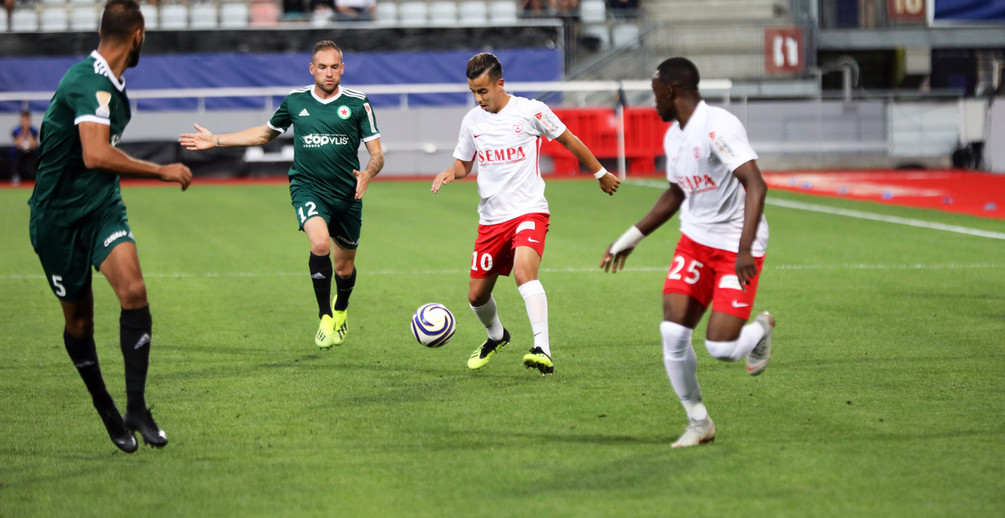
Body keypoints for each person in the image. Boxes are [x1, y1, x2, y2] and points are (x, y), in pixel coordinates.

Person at [28, 0, 193, 453]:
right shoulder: (87, 80)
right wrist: (161, 171)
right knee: (79, 323)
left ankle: (137, 407)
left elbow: (98, 166)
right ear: (137, 35)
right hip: (57, 221)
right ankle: (107, 410)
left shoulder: (113, 87)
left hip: (101, 206)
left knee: (134, 292)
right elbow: (95, 155)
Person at [600, 57, 774, 448]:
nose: (652, 102)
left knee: (722, 347)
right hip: (695, 242)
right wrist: (632, 236)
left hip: (734, 246)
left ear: (669, 92)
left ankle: (760, 330)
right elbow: (678, 193)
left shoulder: (719, 126)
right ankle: (699, 422)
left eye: (654, 94)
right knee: (673, 331)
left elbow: (756, 185)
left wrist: (744, 249)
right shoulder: (674, 135)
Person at [180, 40, 383, 351]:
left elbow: (377, 154)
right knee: (319, 242)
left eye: (334, 67)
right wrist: (217, 139)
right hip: (308, 188)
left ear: (342, 69)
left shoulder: (358, 103)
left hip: (347, 194)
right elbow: (264, 134)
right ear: (312, 69)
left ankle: (341, 308)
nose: (328, 73)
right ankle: (325, 316)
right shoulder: (295, 100)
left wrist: (368, 173)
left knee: (344, 268)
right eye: (322, 67)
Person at [431, 52, 620, 375]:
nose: (478, 99)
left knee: (523, 272)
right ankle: (497, 335)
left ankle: (542, 348)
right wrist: (451, 171)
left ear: (500, 84)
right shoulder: (472, 122)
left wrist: (600, 173)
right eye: (473, 92)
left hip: (529, 211)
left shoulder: (531, 111)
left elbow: (569, 140)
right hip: (491, 220)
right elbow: (465, 162)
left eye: (483, 91)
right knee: (476, 297)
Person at [11, 110, 39, 185]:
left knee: (36, 151)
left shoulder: (33, 130)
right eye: (23, 119)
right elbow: (18, 143)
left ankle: (37, 176)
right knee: (17, 152)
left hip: (30, 149)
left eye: (27, 119)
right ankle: (16, 176)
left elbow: (33, 144)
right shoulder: (16, 130)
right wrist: (24, 131)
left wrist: (28, 131)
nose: (25, 121)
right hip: (20, 149)